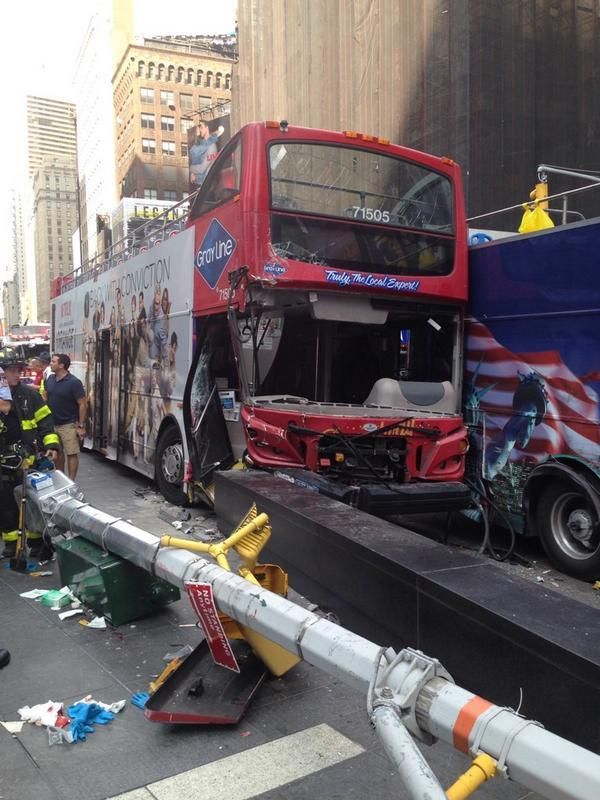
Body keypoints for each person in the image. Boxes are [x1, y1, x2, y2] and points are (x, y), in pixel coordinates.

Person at [0, 351, 60, 558]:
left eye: (18, 370)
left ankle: (37, 542)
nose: (17, 374)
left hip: (30, 461)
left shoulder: (30, 395)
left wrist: (52, 446)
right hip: (4, 464)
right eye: (12, 371)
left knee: (34, 504)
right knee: (6, 505)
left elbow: (46, 423)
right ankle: (10, 544)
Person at [44, 353, 87, 480]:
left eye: (53, 361)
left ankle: (71, 482)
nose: (50, 364)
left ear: (62, 365)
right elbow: (46, 398)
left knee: (72, 453)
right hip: (52, 424)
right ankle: (62, 479)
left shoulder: (74, 382)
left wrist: (81, 426)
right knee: (57, 453)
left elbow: (82, 404)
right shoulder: (50, 379)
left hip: (69, 424)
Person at [189, 121, 225, 188]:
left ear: (207, 128)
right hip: (200, 182)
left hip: (206, 183)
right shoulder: (199, 145)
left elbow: (202, 168)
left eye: (201, 127)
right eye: (199, 128)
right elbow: (196, 160)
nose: (200, 130)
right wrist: (192, 173)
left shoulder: (211, 146)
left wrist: (191, 169)